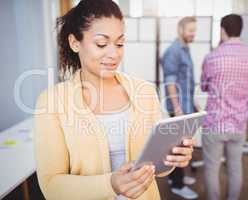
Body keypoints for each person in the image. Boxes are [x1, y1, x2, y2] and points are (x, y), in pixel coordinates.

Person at [34, 1, 196, 199]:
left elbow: (158, 168)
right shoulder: (52, 102)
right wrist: (110, 184)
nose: (114, 54)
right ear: (75, 42)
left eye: (119, 44)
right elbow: (51, 185)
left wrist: (172, 158)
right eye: (101, 44)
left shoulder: (144, 91)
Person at [200, 14, 248, 200]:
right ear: (240, 30)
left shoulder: (212, 57)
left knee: (212, 169)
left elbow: (204, 86)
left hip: (215, 123)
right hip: (239, 123)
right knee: (236, 167)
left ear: (222, 30)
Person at [161, 17, 198, 199]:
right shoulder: (174, 51)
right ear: (180, 29)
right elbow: (170, 83)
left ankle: (175, 177)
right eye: (191, 30)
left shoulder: (185, 49)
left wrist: (193, 103)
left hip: (186, 105)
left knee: (181, 143)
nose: (194, 34)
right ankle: (177, 184)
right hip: (178, 107)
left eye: (194, 30)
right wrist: (177, 108)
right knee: (177, 145)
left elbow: (187, 81)